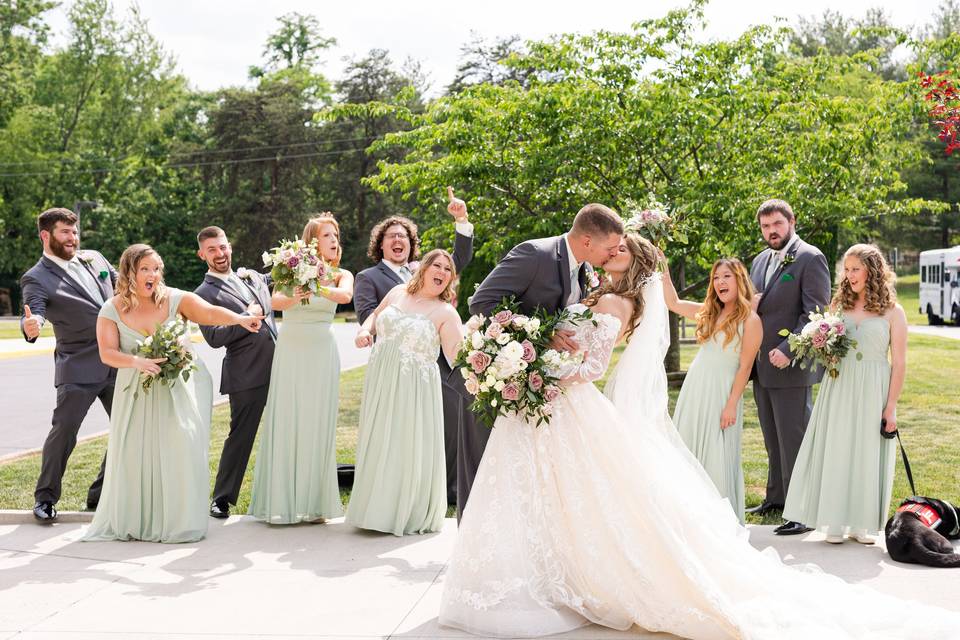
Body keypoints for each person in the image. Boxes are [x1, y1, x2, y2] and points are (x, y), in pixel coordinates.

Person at [438, 241, 960, 639]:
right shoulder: (597, 292)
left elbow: (593, 363)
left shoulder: (621, 304)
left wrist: (536, 369)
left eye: (619, 249)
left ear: (632, 262)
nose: (608, 253)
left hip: (570, 395)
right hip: (560, 401)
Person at [454, 203, 623, 518]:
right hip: (494, 380)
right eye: (611, 247)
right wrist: (540, 334)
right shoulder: (535, 254)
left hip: (531, 389)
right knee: (484, 474)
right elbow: (482, 302)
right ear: (588, 241)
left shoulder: (585, 272)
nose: (614, 254)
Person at [83, 244, 261, 543]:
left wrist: (240, 318)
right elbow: (107, 353)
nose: (152, 274)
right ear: (130, 272)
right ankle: (137, 521)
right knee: (135, 455)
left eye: (156, 268)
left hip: (175, 394)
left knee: (178, 450)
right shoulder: (111, 309)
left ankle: (176, 521)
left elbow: (209, 313)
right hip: (135, 394)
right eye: (145, 269)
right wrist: (136, 361)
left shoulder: (175, 298)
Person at [354, 188, 473, 507]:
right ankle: (389, 494)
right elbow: (370, 315)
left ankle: (443, 490)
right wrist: (368, 332)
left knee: (441, 432)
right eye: (391, 236)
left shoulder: (430, 270)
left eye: (403, 236)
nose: (398, 240)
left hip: (435, 366)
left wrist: (461, 220)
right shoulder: (372, 278)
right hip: (391, 367)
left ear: (411, 244)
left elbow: (455, 260)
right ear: (381, 244)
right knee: (392, 436)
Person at [783, 244, 906, 544]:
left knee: (866, 451)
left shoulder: (893, 311)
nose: (849, 276)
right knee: (838, 449)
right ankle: (834, 521)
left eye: (855, 269)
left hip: (874, 388)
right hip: (840, 386)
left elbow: (900, 362)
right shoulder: (838, 306)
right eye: (846, 270)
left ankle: (862, 525)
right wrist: (826, 350)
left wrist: (890, 407)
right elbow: (827, 352)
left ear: (872, 271)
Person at [347, 249, 463, 536]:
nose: (441, 272)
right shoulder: (398, 292)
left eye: (447, 269)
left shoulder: (445, 312)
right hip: (382, 379)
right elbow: (374, 316)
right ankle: (374, 509)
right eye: (436, 265)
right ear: (423, 268)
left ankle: (404, 511)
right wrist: (365, 331)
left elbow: (457, 355)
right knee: (379, 439)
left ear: (450, 279)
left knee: (405, 443)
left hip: (415, 389)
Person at [248, 214, 353, 525]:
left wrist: (317, 286)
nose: (334, 240)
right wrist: (298, 290)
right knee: (289, 417)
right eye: (326, 235)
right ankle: (282, 501)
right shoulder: (291, 269)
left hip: (322, 349)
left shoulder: (341, 274)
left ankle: (316, 503)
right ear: (312, 241)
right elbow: (276, 301)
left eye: (336, 235)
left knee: (319, 420)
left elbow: (345, 296)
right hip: (292, 349)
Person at [19, 207, 117, 522]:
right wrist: (30, 326)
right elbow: (34, 312)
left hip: (117, 361)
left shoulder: (96, 258)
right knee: (65, 432)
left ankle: (99, 494)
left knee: (129, 428)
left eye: (74, 232)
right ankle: (45, 499)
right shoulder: (36, 277)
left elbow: (122, 288)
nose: (72, 238)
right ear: (45, 235)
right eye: (65, 232)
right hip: (77, 367)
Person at [747, 199, 831, 536]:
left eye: (777, 225)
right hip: (760, 365)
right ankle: (777, 498)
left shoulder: (811, 258)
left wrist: (787, 349)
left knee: (794, 438)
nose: (772, 232)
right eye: (766, 227)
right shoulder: (759, 261)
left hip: (791, 365)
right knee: (772, 437)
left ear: (791, 221)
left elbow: (815, 314)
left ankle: (803, 509)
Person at [662, 256, 762, 523]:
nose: (720, 282)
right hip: (695, 389)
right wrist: (663, 266)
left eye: (726, 276)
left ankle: (717, 522)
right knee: (689, 448)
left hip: (721, 394)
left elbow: (744, 368)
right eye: (716, 278)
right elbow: (673, 303)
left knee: (717, 455)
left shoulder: (751, 321)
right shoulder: (709, 311)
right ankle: (689, 518)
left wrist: (731, 404)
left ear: (739, 280)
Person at [194, 226, 278, 519]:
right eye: (212, 250)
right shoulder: (202, 294)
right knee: (241, 437)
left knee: (286, 431)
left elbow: (284, 277)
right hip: (246, 374)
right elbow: (214, 337)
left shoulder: (252, 276)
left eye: (223, 247)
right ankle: (222, 498)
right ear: (202, 254)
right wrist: (243, 320)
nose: (220, 254)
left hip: (280, 367)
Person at [599, 234, 670, 435]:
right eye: (612, 247)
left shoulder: (614, 302)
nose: (613, 252)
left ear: (635, 262)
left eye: (622, 250)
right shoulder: (615, 297)